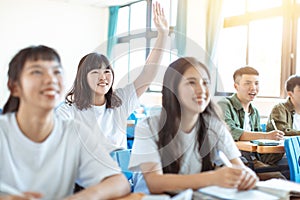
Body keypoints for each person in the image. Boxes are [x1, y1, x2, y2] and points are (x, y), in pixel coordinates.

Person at [0, 45, 130, 199]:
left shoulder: (74, 132)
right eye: (37, 72)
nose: (51, 79)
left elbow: (119, 183)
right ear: (14, 87)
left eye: (57, 72)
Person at [128, 57, 258, 194]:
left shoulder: (213, 125)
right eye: (191, 83)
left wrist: (247, 176)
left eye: (205, 83)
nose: (201, 90)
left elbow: (238, 166)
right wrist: (213, 178)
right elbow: (155, 182)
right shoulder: (149, 125)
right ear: (173, 88)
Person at [56, 2, 169, 151]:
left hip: (119, 170)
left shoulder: (121, 102)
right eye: (95, 72)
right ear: (83, 78)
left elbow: (148, 73)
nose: (103, 77)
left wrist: (163, 35)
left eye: (107, 71)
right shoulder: (70, 111)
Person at [217, 66, 286, 179]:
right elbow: (232, 132)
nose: (253, 88)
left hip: (253, 160)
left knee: (285, 172)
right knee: (278, 178)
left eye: (256, 83)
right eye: (247, 83)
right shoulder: (224, 104)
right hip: (231, 161)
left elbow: (258, 142)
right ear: (236, 86)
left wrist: (274, 139)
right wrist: (267, 135)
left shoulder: (254, 112)